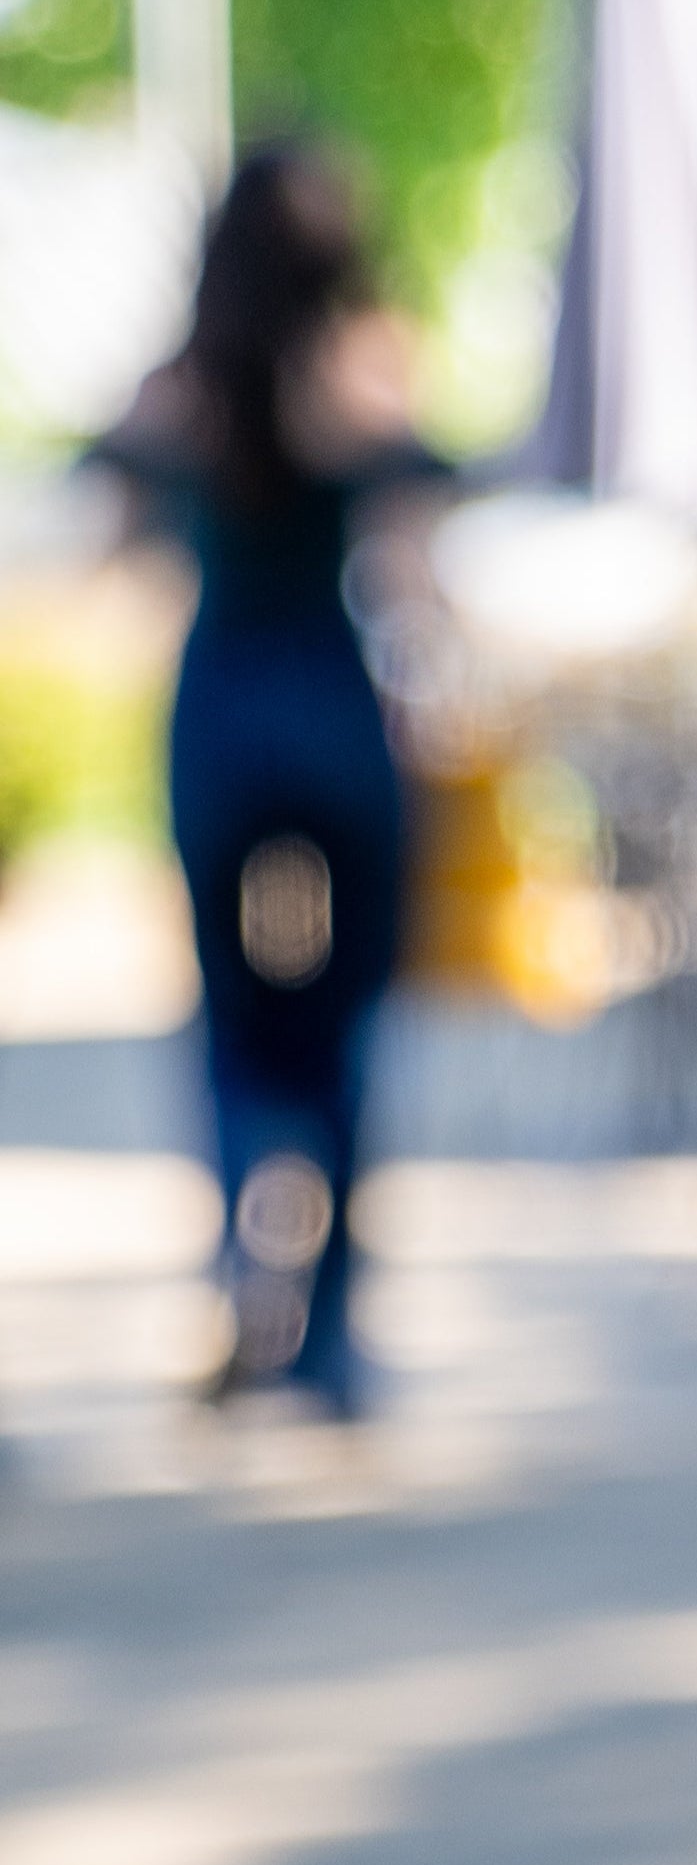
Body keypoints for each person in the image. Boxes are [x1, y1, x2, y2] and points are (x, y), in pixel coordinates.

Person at [91, 143, 443, 1418]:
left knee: (232, 1013)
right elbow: (413, 567)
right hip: (339, 715)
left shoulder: (181, 383)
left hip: (220, 711)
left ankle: (246, 1257)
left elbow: (115, 539)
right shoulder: (361, 366)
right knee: (346, 1016)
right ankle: (334, 1331)